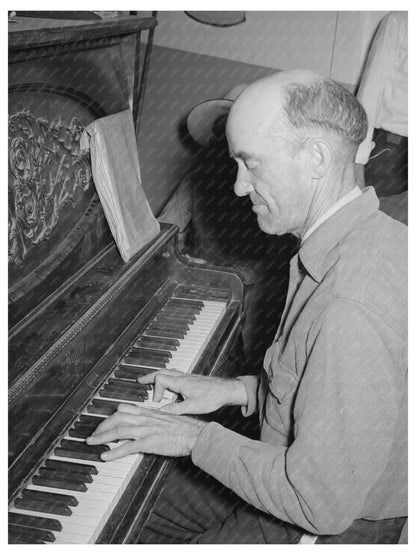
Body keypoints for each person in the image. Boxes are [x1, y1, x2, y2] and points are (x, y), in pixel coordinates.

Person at [87, 69, 407, 544]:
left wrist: (194, 438)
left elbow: (318, 503)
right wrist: (235, 391)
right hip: (299, 474)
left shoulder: (348, 305)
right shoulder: (376, 237)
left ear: (316, 158)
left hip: (320, 524)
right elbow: (335, 394)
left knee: (108, 511)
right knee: (122, 491)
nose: (239, 187)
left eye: (251, 164)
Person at [354, 11, 408, 199]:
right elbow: (371, 87)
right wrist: (358, 160)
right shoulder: (401, 21)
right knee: (369, 218)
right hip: (394, 150)